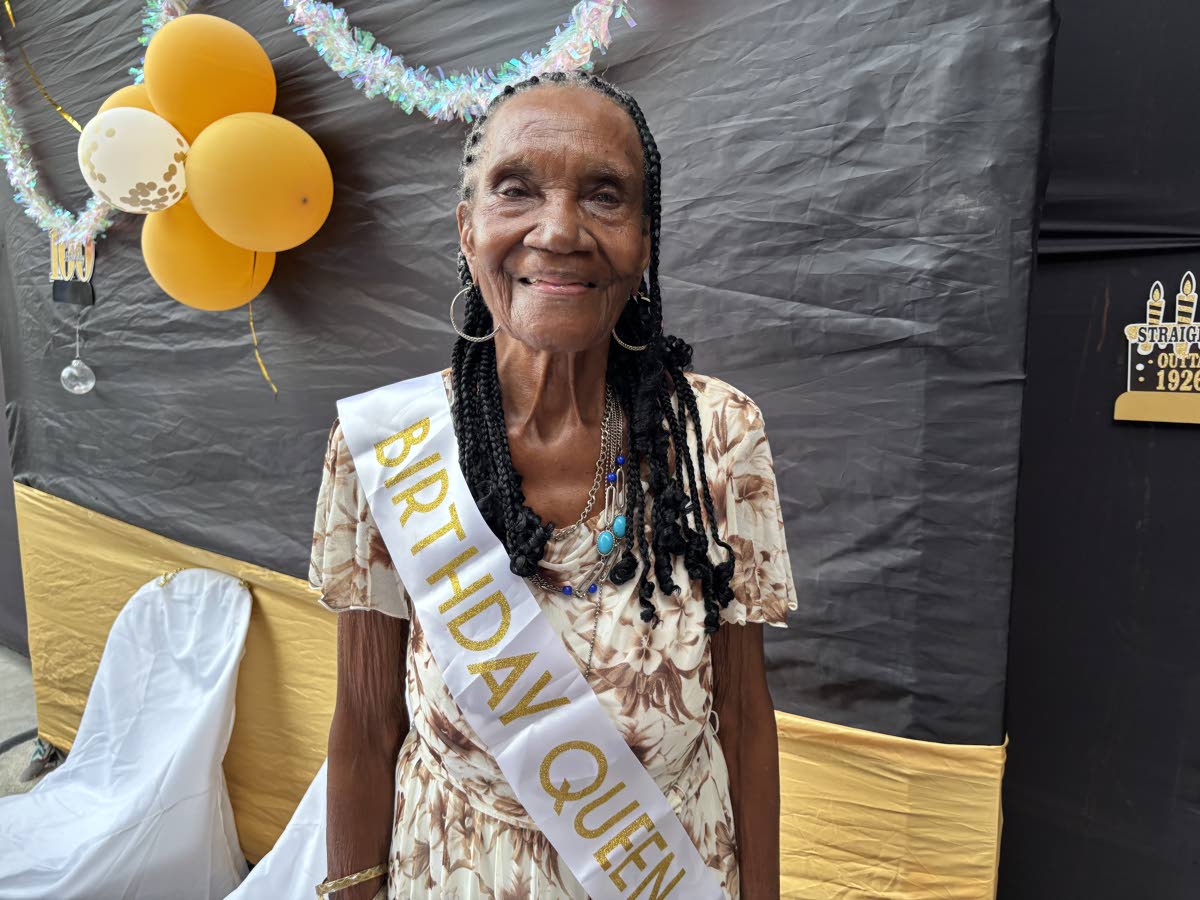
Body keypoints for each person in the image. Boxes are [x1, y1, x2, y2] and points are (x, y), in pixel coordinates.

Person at [308, 71, 797, 900]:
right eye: (516, 190)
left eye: (605, 196)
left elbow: (746, 720)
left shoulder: (714, 437)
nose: (559, 230)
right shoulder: (386, 451)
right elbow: (364, 722)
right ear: (469, 229)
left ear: (645, 238)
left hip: (669, 871)